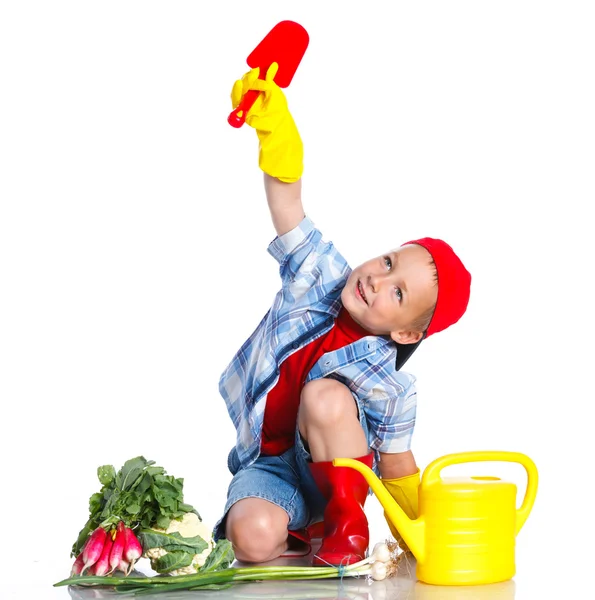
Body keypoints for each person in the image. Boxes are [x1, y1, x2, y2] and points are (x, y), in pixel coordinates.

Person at [212, 64, 471, 567]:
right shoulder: (319, 274)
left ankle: (345, 522)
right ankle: (294, 535)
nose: (377, 279)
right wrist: (275, 131)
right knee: (251, 539)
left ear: (407, 331)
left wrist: (424, 543)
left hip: (332, 476)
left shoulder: (391, 387)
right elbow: (288, 204)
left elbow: (396, 467)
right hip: (269, 467)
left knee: (325, 394)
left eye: (398, 293)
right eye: (389, 262)